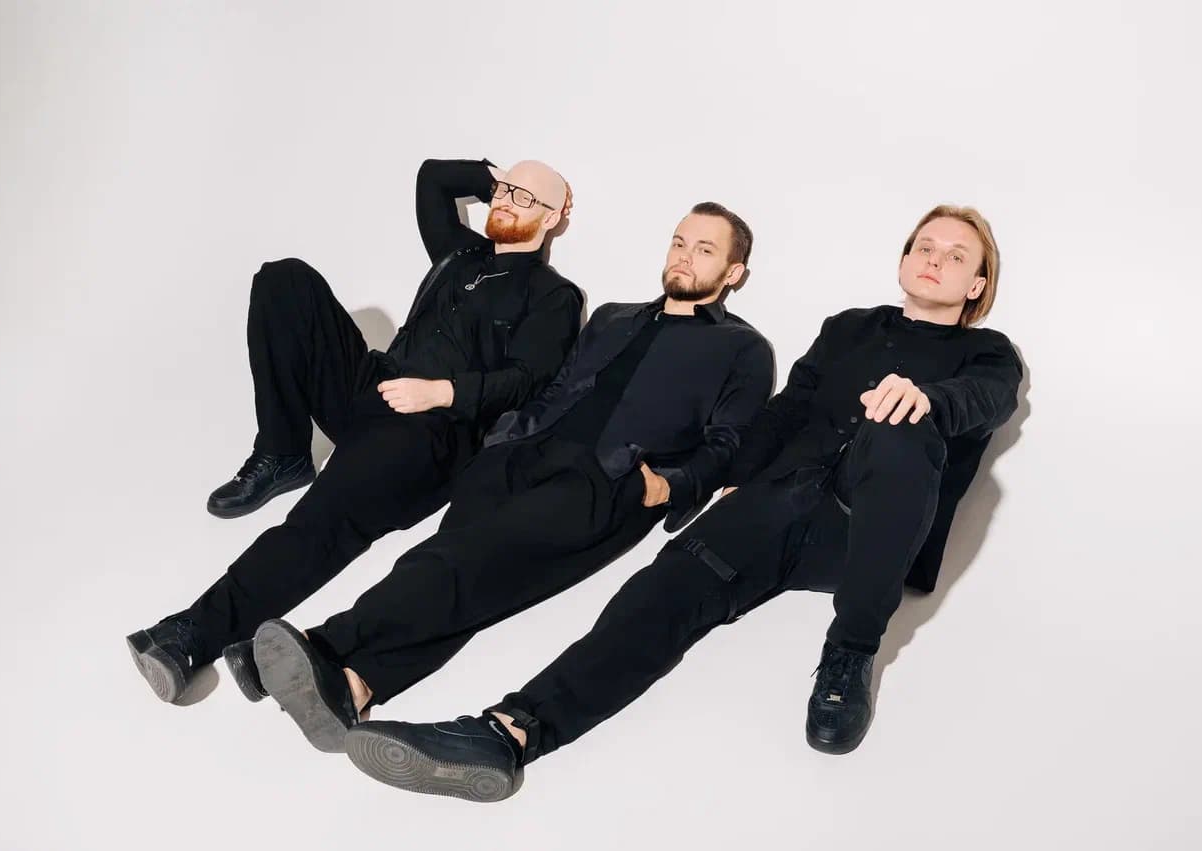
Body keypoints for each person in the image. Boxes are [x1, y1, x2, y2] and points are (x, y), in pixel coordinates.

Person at [335, 204, 1024, 803]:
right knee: (653, 599)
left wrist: (926, 399)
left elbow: (985, 400)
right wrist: (730, 479)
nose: (935, 260)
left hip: (863, 530)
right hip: (772, 505)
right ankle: (508, 733)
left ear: (976, 285)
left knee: (900, 430)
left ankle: (850, 653)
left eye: (955, 256)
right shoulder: (847, 327)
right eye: (925, 246)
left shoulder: (989, 355)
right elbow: (789, 409)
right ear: (903, 260)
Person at [249, 202, 775, 757]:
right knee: (471, 579)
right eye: (679, 242)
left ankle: (324, 645)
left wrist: (668, 486)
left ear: (733, 272)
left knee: (452, 563)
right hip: (518, 454)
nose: (684, 257)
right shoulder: (613, 317)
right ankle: (356, 687)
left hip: (606, 480)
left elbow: (728, 443)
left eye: (704, 249)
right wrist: (503, 439)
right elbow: (559, 387)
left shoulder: (743, 349)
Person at [127, 157, 582, 704]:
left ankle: (190, 636)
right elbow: (432, 177)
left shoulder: (554, 295)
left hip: (430, 431)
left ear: (554, 216)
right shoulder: (461, 253)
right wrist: (499, 182)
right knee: (285, 279)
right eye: (505, 191)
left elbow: (530, 380)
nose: (507, 202)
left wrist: (441, 392)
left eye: (527, 199)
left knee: (317, 524)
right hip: (374, 385)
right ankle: (283, 453)